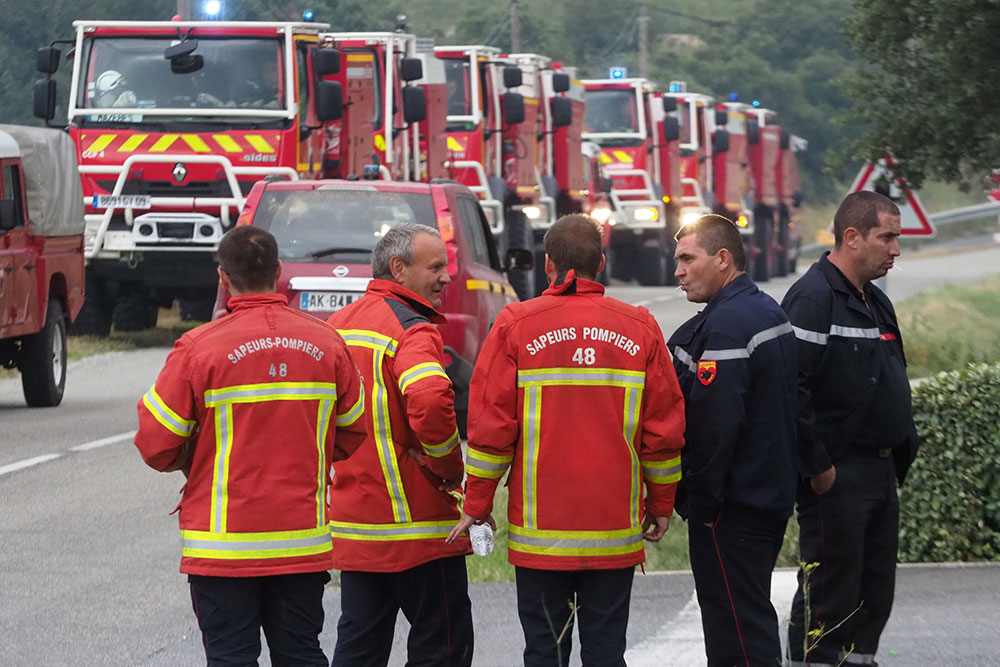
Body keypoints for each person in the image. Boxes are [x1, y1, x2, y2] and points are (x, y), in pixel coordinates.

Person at [449, 213, 687, 666]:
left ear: (548, 265)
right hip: (613, 534)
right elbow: (662, 432)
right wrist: (660, 504)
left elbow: (491, 429)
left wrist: (476, 506)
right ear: (601, 262)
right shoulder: (639, 328)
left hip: (541, 539)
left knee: (544, 649)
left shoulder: (516, 324)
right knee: (605, 651)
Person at [133, 225, 366, 666]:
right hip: (300, 542)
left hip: (223, 547)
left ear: (223, 277)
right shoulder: (327, 342)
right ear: (278, 271)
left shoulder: (198, 348)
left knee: (230, 657)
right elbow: (353, 430)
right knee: (300, 653)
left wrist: (196, 458)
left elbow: (155, 443)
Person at [327, 222, 474, 667]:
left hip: (357, 525)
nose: (446, 277)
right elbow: (430, 399)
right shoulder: (412, 330)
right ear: (398, 268)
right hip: (419, 524)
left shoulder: (337, 327)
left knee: (358, 649)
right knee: (442, 647)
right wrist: (447, 469)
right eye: (435, 267)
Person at [783, 190, 920, 667]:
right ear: (852, 237)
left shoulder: (875, 301)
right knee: (830, 592)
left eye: (897, 238)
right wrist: (818, 468)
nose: (896, 249)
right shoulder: (812, 299)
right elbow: (790, 391)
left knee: (873, 592)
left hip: (879, 472)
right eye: (888, 237)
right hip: (837, 476)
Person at [666, 214, 798, 666]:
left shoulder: (726, 327)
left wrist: (700, 504)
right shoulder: (766, 309)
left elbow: (713, 427)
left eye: (687, 259)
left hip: (733, 510)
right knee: (749, 617)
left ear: (723, 259)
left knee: (735, 632)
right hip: (768, 496)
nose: (678, 271)